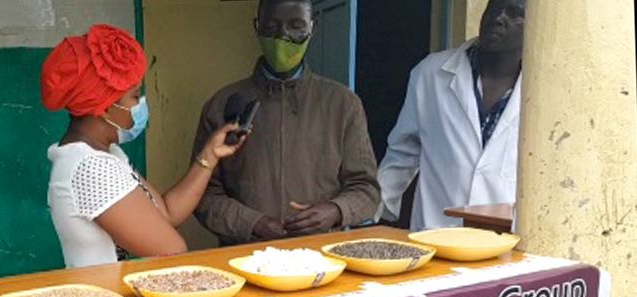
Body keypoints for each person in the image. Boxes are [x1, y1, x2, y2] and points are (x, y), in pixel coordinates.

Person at [42, 25, 246, 268]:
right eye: (135, 96)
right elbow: (171, 249)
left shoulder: (105, 155)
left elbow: (166, 213)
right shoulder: (91, 168)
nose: (141, 104)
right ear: (104, 107)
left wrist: (210, 155)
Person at [192, 0, 380, 246]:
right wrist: (252, 223)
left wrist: (335, 211)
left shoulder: (343, 104)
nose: (284, 36)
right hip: (244, 258)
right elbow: (203, 194)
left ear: (313, 27)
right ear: (257, 27)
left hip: (323, 258)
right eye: (272, 26)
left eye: (296, 25)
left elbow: (366, 189)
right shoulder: (222, 104)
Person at [378, 0, 526, 231]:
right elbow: (402, 153)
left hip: (507, 241)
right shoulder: (431, 74)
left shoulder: (543, 90)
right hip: (438, 233)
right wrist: (367, 212)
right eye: (494, 8)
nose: (498, 18)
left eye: (515, 14)